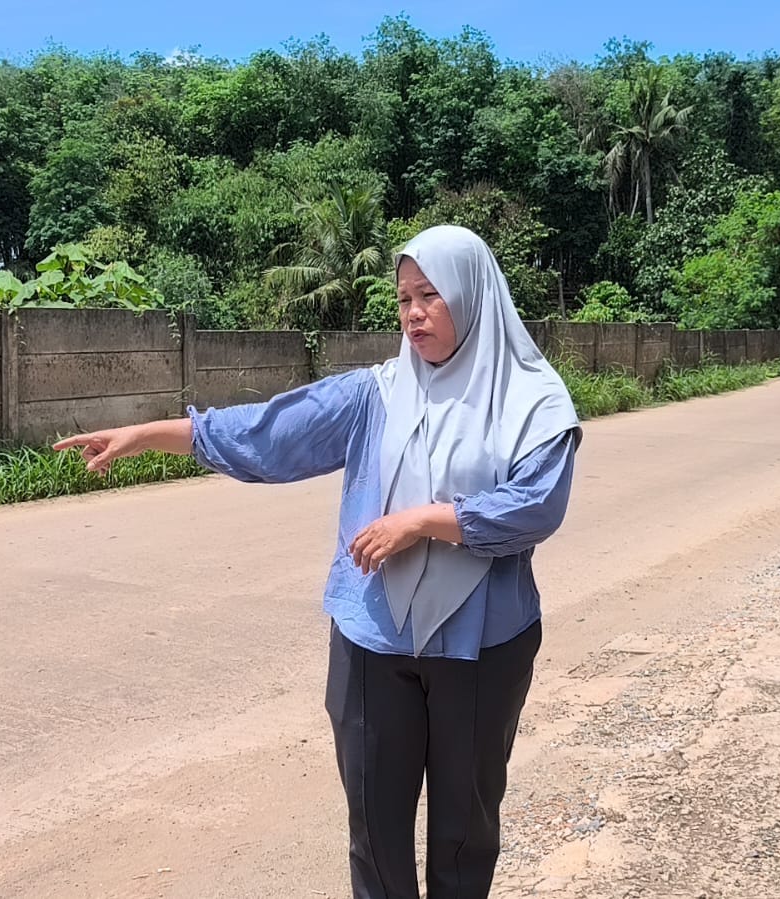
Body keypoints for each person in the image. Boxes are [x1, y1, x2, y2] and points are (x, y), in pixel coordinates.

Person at [53, 225, 581, 899]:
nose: (414, 313)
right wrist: (147, 434)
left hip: (484, 644)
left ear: (473, 294)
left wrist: (422, 521)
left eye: (430, 295)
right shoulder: (376, 393)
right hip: (372, 640)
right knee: (375, 831)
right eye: (403, 299)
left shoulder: (532, 399)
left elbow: (536, 505)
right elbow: (269, 432)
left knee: (464, 832)